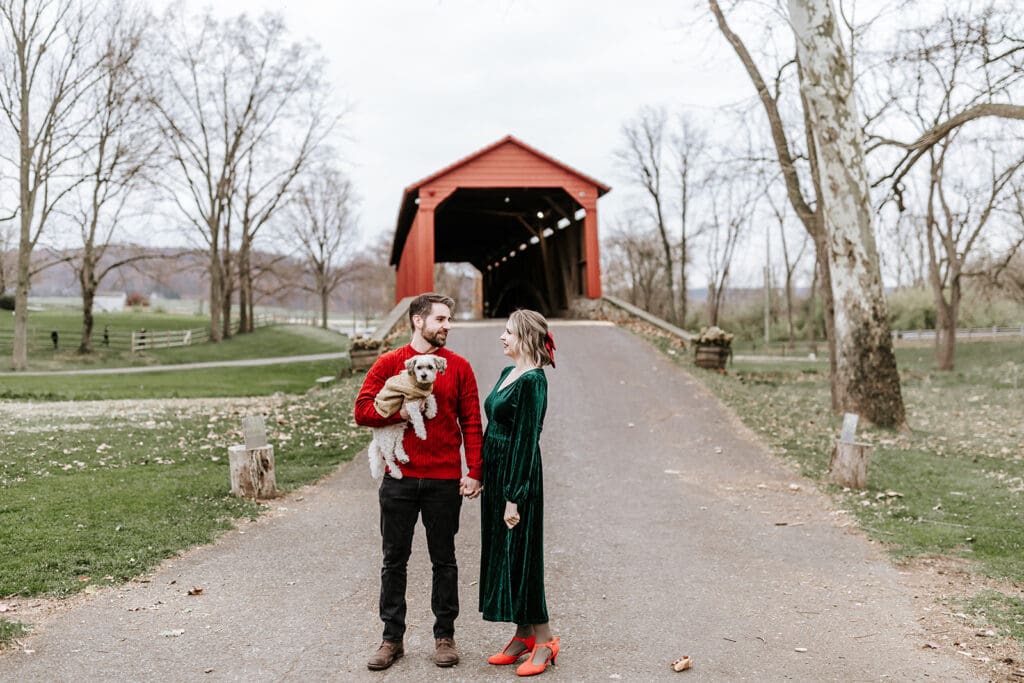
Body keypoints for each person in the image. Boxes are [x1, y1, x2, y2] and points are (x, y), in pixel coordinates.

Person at [353, 292, 483, 671]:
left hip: (444, 479)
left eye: (448, 319)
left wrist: (474, 471)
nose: (447, 326)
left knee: (445, 560)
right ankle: (391, 639)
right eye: (441, 319)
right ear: (418, 321)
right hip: (400, 480)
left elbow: (472, 421)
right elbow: (362, 410)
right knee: (394, 559)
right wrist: (395, 419)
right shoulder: (390, 362)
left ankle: (445, 636)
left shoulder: (458, 367)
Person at [479, 309, 559, 677]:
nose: (502, 337)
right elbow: (492, 425)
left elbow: (527, 441)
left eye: (508, 332)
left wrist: (514, 495)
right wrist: (479, 474)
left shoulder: (533, 382)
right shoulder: (506, 373)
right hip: (496, 477)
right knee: (505, 555)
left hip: (518, 479)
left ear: (525, 337)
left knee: (524, 558)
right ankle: (522, 635)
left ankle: (545, 640)